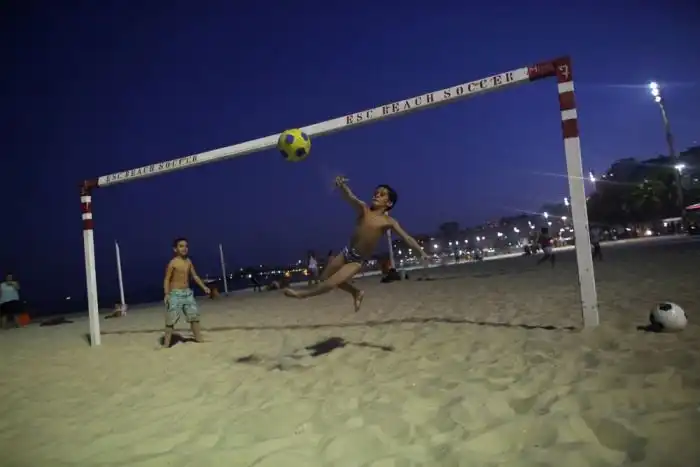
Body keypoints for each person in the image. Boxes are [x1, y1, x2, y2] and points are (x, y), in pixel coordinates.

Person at [284, 176, 428, 311]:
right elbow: (350, 197)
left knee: (330, 284)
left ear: (389, 203)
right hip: (346, 253)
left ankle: (301, 295)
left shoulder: (389, 222)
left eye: (382, 194)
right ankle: (356, 292)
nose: (377, 195)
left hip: (357, 260)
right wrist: (342, 186)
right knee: (324, 278)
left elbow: (407, 237)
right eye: (376, 193)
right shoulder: (364, 210)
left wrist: (421, 252)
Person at [162, 238, 210, 348]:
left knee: (194, 316)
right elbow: (167, 279)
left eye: (186, 246)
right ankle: (166, 344)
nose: (184, 248)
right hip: (175, 294)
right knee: (171, 318)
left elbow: (195, 276)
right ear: (175, 249)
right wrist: (167, 293)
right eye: (181, 246)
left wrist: (204, 287)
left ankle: (199, 338)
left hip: (187, 293)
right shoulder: (173, 263)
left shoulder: (188, 261)